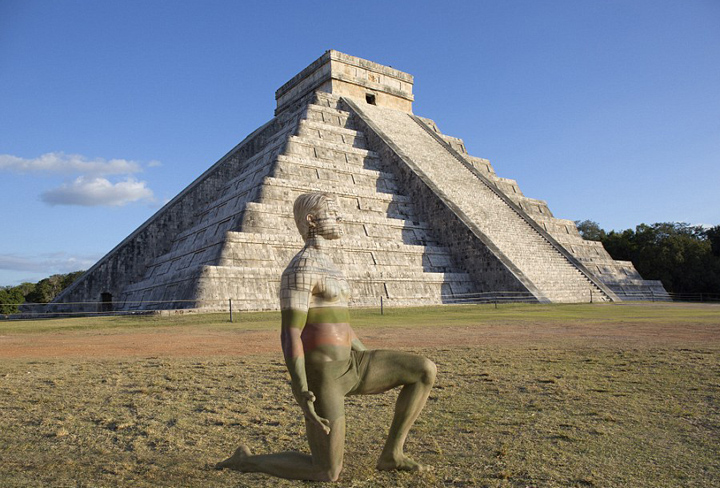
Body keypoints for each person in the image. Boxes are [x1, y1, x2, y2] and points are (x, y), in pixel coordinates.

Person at [216, 192, 436, 482]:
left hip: (353, 363)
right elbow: (290, 332)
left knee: (423, 370)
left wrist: (366, 355)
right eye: (333, 213)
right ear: (312, 220)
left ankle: (392, 455)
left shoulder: (331, 267)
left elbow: (341, 324)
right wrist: (300, 387)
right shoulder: (300, 269)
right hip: (325, 375)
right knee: (327, 471)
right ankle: (246, 461)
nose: (340, 218)